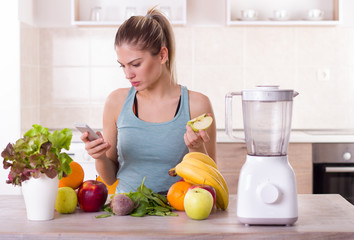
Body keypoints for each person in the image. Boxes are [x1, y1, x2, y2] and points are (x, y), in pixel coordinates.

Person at [80, 7, 216, 194]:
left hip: (179, 215)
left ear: (162, 55)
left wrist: (197, 148)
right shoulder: (116, 102)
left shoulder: (196, 105)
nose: (128, 74)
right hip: (126, 213)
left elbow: (210, 181)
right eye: (123, 66)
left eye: (136, 64)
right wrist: (100, 157)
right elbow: (110, 177)